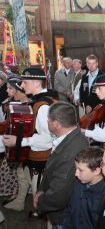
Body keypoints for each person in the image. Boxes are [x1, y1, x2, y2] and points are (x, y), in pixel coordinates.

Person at [3, 67, 58, 212]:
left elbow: (46, 140)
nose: (21, 86)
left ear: (36, 83)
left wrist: (19, 141)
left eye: (25, 82)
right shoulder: (40, 101)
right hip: (39, 160)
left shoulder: (43, 106)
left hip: (42, 162)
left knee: (41, 204)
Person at [34, 102, 88, 228]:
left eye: (48, 120)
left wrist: (40, 201)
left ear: (56, 124)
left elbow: (58, 196)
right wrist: (41, 190)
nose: (47, 122)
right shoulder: (72, 137)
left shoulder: (70, 151)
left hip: (64, 216)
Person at [64, 146, 105, 229]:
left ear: (96, 171)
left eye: (80, 170)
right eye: (76, 169)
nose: (76, 174)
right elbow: (69, 210)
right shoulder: (78, 184)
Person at [0, 78, 28, 201]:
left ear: (18, 89)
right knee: (15, 171)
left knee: (20, 172)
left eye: (10, 88)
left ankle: (19, 197)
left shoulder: (25, 103)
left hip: (20, 142)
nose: (7, 90)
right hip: (12, 140)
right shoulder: (12, 101)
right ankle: (16, 194)